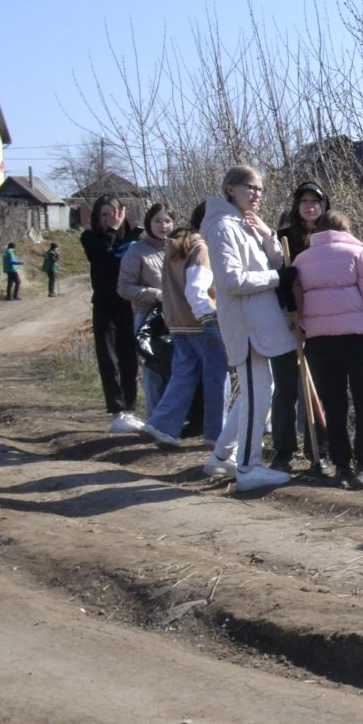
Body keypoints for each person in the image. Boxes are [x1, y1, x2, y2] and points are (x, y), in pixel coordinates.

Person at [202, 166, 301, 492]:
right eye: (250, 187)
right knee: (257, 396)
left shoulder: (244, 225)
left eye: (260, 189)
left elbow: (276, 262)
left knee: (257, 394)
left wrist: (268, 235)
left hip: (258, 324)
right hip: (246, 326)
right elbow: (231, 282)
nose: (257, 194)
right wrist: (276, 280)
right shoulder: (221, 228)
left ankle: (222, 456)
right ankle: (247, 468)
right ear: (231, 189)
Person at [293, 210, 363, 489]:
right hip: (357, 340)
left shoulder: (301, 260)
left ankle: (342, 466)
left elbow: (298, 304)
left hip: (318, 342)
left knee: (333, 405)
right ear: (346, 229)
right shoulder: (358, 255)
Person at [140, 214, 226, 454]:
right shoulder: (200, 248)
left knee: (183, 376)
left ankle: (162, 425)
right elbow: (197, 288)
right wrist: (209, 317)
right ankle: (215, 433)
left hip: (177, 323)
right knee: (217, 378)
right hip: (201, 323)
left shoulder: (176, 247)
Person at [274, 180, 331, 471]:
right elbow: (274, 279)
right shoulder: (281, 238)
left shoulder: (331, 238)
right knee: (286, 388)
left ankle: (318, 453)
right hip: (287, 320)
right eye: (305, 201)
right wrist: (289, 311)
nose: (310, 206)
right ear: (296, 206)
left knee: (317, 387)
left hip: (321, 321)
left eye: (316, 201)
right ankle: (283, 452)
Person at [80, 196, 143, 433]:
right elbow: (100, 257)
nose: (109, 219)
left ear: (122, 213)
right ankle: (117, 413)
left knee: (130, 358)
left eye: (113, 214)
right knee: (109, 359)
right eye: (103, 215)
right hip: (105, 305)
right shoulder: (91, 237)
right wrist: (112, 231)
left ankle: (130, 409)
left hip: (130, 305)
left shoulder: (135, 237)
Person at [117, 203, 173, 417]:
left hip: (176, 317)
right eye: (158, 220)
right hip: (147, 318)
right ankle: (155, 419)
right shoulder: (137, 251)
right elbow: (124, 287)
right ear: (149, 223)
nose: (163, 226)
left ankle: (174, 420)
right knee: (153, 369)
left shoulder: (178, 248)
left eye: (167, 220)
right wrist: (156, 294)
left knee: (177, 369)